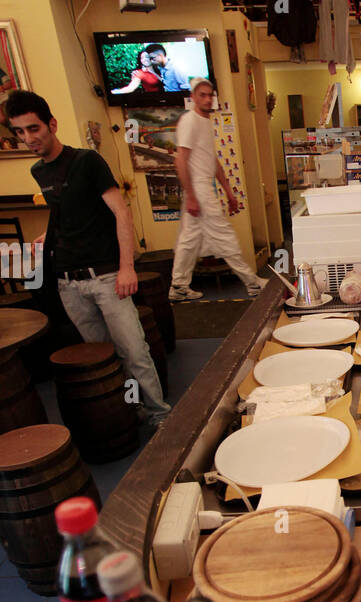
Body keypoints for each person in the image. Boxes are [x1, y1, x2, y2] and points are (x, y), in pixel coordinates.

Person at [6, 89, 170, 427]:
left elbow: (121, 213)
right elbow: (65, 212)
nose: (28, 138)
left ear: (52, 125)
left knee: (134, 352)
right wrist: (49, 237)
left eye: (34, 128)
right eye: (20, 132)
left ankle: (159, 415)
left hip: (107, 277)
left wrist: (127, 267)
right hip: (68, 284)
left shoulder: (87, 162)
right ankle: (134, 408)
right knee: (105, 358)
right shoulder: (39, 171)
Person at [169, 78, 264, 301]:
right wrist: (192, 196)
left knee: (189, 239)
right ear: (193, 97)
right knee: (224, 236)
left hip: (203, 187)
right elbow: (180, 160)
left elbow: (213, 162)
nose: (207, 99)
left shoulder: (206, 122)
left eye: (209, 95)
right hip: (198, 188)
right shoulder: (189, 121)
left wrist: (229, 192)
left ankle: (179, 285)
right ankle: (252, 283)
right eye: (202, 95)